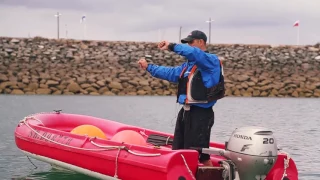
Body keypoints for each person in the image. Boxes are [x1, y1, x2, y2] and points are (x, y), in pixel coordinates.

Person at [138, 30, 225, 166]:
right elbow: (170, 73)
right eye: (187, 43)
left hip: (201, 114)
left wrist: (172, 46)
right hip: (185, 112)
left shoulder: (211, 61)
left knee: (201, 155)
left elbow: (194, 53)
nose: (189, 45)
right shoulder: (187, 66)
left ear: (201, 42)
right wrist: (149, 67)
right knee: (179, 149)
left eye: (191, 42)